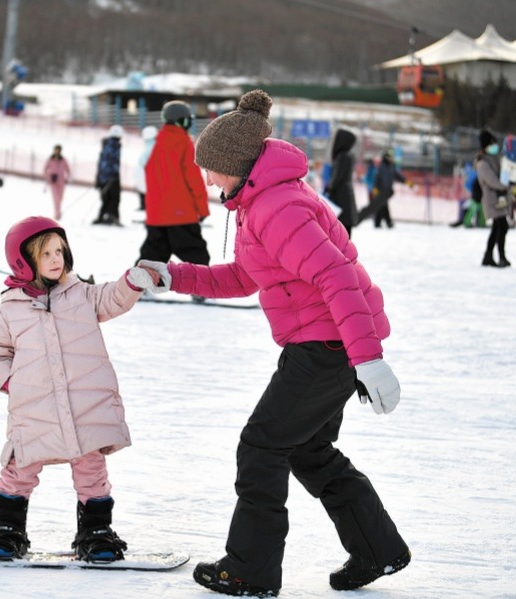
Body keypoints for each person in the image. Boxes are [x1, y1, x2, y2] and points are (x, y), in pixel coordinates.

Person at [137, 89, 410, 597]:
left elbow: (337, 278)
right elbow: (246, 276)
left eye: (210, 169)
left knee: (262, 446)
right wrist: (173, 277)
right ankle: (378, 548)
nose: (206, 179)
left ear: (236, 164)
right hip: (327, 343)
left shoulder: (277, 207)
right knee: (307, 448)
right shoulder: (257, 203)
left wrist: (368, 360)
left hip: (328, 344)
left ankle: (250, 570)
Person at [0, 216, 160, 563]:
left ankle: (95, 532)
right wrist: (12, 383)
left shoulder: (82, 295)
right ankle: (8, 529)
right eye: (45, 254)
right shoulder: (11, 308)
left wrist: (133, 281)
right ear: (24, 260)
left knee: (91, 471)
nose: (56, 259)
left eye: (59, 251)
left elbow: (112, 298)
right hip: (34, 409)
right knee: (19, 470)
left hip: (84, 409)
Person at [137, 101, 209, 301]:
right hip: (181, 213)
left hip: (157, 214)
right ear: (183, 121)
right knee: (196, 253)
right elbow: (193, 178)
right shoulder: (184, 143)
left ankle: (138, 286)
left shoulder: (156, 144)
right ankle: (200, 290)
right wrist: (202, 208)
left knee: (153, 254)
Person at [476, 129, 512, 267]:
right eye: (492, 144)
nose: (494, 146)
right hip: (492, 200)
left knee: (498, 227)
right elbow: (492, 181)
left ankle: (488, 256)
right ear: (485, 146)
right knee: (502, 226)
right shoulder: (482, 163)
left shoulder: (495, 159)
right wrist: (505, 186)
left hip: (499, 198)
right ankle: (501, 257)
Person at [356, 149, 411, 228]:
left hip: (387, 191)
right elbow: (376, 178)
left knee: (382, 205)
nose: (391, 159)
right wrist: (375, 189)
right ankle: (384, 222)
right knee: (380, 205)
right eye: (390, 157)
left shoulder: (391, 167)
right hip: (380, 191)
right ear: (386, 157)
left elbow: (398, 176)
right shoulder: (381, 167)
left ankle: (380, 222)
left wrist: (408, 183)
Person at [323, 128, 358, 237]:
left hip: (340, 195)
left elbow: (337, 177)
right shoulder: (349, 155)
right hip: (346, 193)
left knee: (340, 225)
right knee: (346, 226)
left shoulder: (342, 156)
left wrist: (329, 187)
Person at [93, 125, 122, 225]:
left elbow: (102, 163)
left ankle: (104, 216)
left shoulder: (107, 144)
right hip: (111, 177)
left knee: (107, 198)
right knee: (114, 198)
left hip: (103, 177)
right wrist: (113, 175)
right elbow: (112, 162)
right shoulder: (113, 145)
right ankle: (111, 217)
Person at [501, 134, 516, 226]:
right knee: (512, 205)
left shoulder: (515, 163)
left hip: (514, 189)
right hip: (512, 188)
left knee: (513, 205)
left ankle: (512, 219)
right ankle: (512, 218)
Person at [43, 144, 71, 220]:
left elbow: (68, 170)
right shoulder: (50, 159)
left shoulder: (63, 160)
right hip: (53, 182)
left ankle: (58, 212)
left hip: (61, 182)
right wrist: (49, 177)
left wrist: (67, 178)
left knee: (60, 198)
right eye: (56, 150)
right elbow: (45, 169)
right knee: (56, 199)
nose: (57, 152)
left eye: (58, 150)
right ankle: (57, 214)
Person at [135, 125, 157, 211]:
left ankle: (146, 206)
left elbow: (143, 161)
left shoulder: (150, 147)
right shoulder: (153, 145)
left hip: (147, 173)